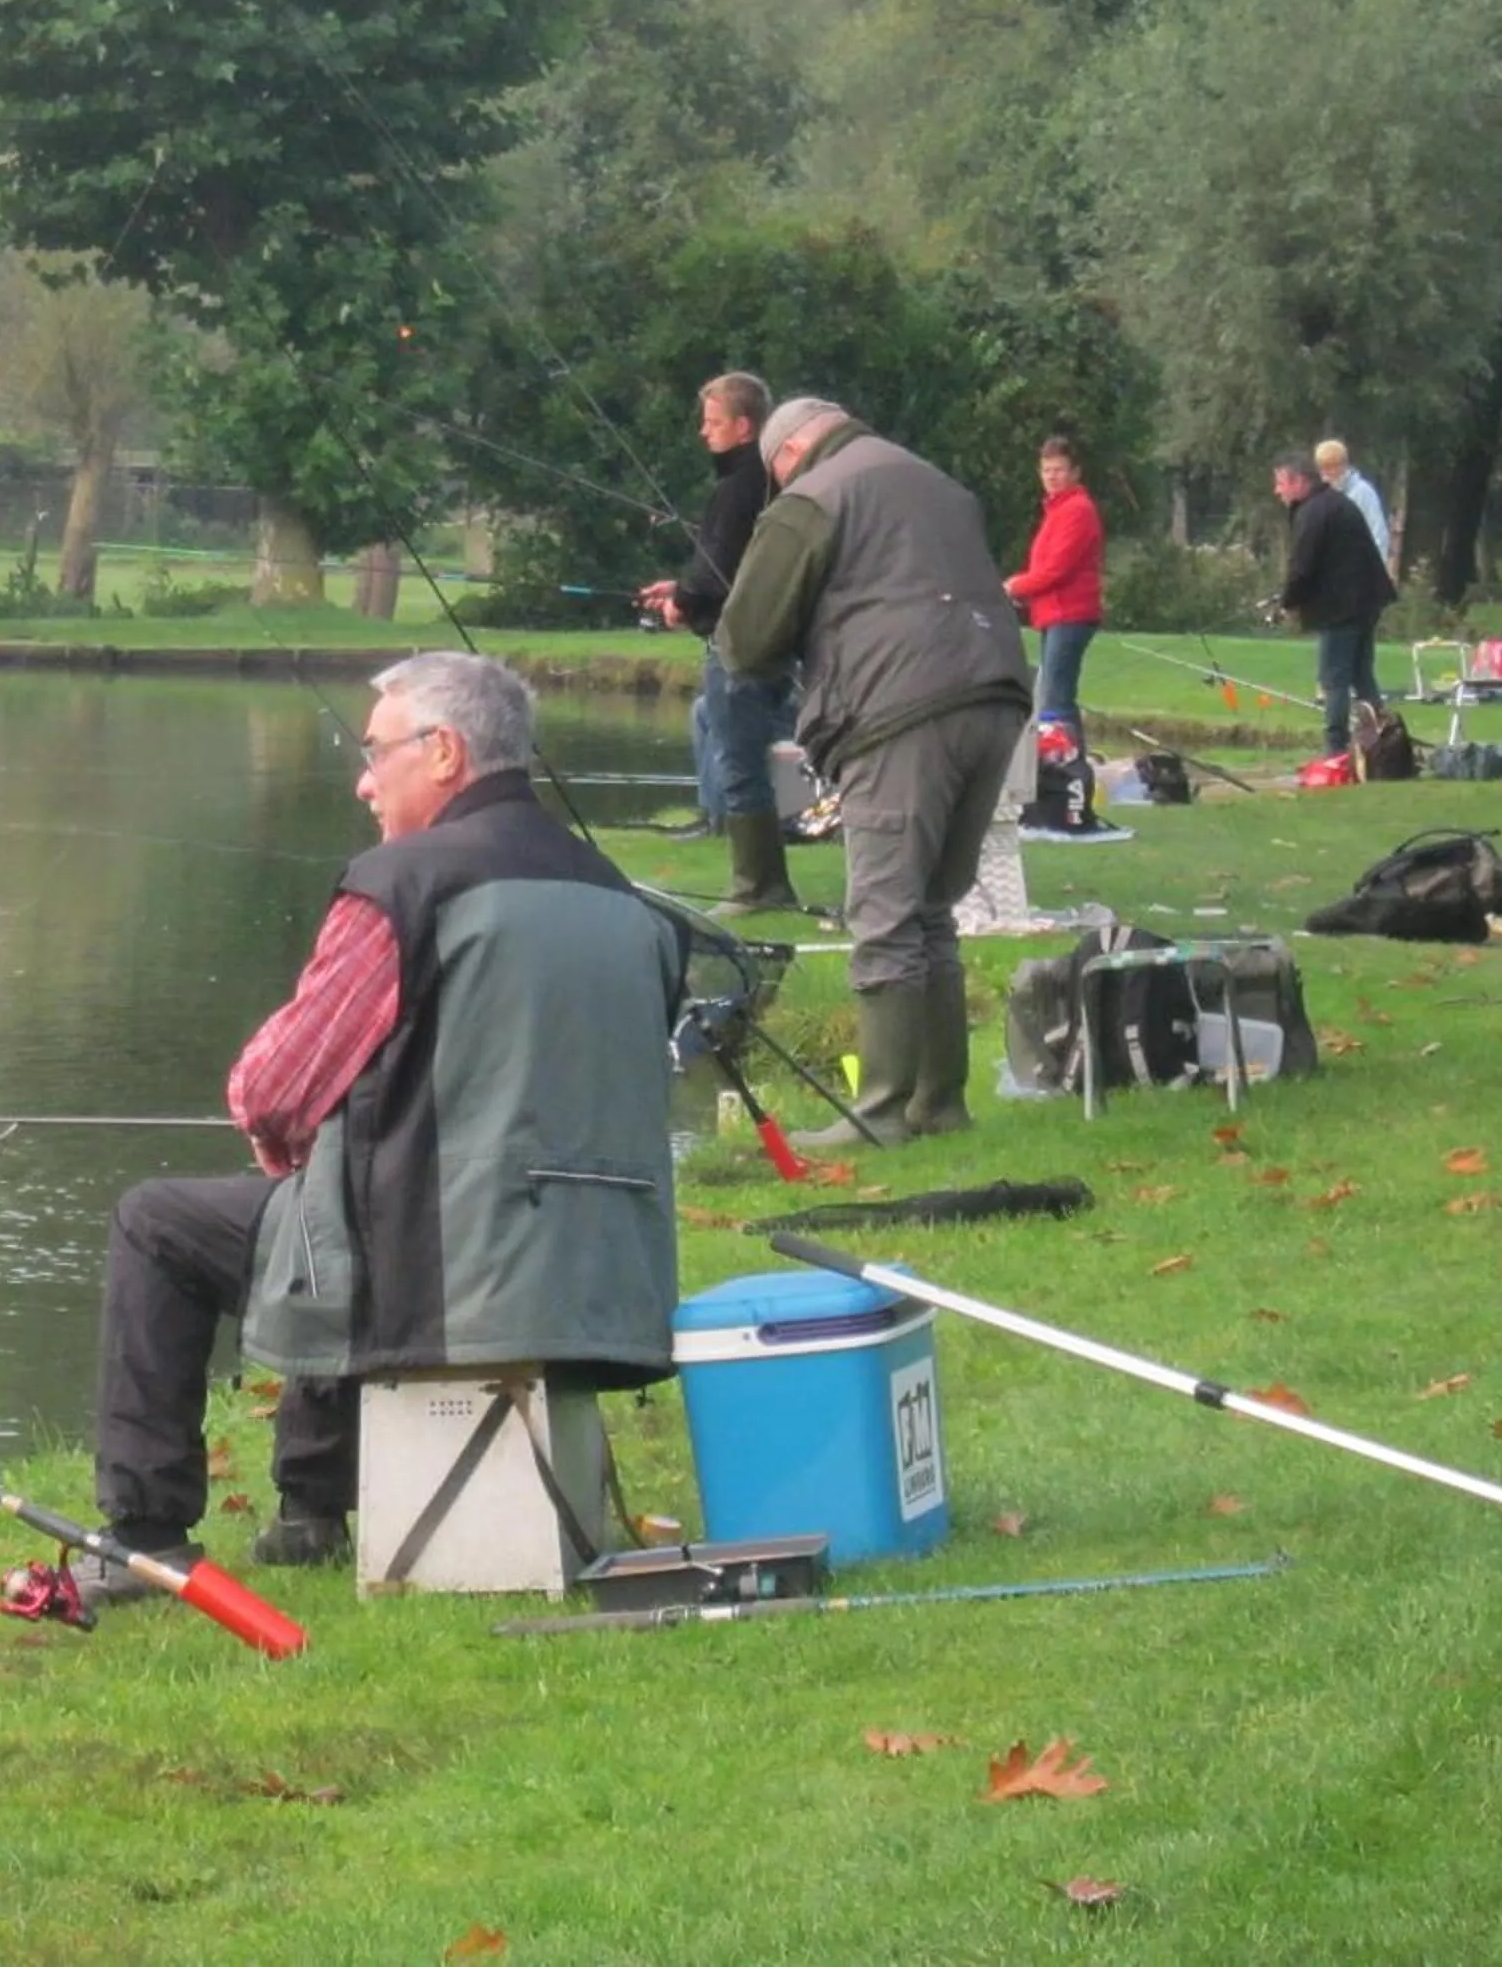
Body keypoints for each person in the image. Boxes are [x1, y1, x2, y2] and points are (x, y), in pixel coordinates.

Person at [78, 652, 688, 1599]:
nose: (364, 781)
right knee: (352, 1174)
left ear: (443, 752)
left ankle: (146, 1535)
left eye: (375, 753)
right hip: (609, 1283)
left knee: (161, 1220)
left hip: (452, 1279)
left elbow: (273, 1091)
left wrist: (285, 1126)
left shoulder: (402, 884)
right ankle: (310, 1510)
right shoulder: (626, 900)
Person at [722, 398, 1034, 1149]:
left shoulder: (812, 497)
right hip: (995, 695)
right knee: (932, 909)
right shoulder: (933, 481)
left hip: (902, 708)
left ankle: (883, 1109)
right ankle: (940, 1102)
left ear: (790, 450)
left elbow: (746, 641)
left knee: (886, 910)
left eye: (773, 470)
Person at [640, 371, 800, 912]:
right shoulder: (768, 480)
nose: (704, 433)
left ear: (744, 426)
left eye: (713, 423)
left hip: (741, 648)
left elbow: (717, 570)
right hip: (772, 641)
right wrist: (681, 589)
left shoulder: (738, 487)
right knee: (745, 748)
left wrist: (681, 603)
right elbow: (726, 567)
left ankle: (757, 886)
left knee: (740, 760)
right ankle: (755, 869)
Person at [1276, 450, 1396, 757]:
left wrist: (1286, 602)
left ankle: (1335, 748)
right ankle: (1381, 740)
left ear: (1299, 482)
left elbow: (1303, 567)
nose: (1277, 491)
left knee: (1334, 678)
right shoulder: (1333, 503)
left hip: (1342, 607)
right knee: (1360, 673)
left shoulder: (1314, 512)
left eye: (1281, 483)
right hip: (1365, 601)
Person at [1003, 434, 1106, 750]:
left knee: (1055, 699)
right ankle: (1073, 768)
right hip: (1055, 614)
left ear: (1075, 472)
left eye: (1059, 470)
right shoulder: (1057, 510)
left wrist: (1014, 586)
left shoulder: (1077, 509)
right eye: (1046, 470)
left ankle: (1066, 773)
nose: (1051, 477)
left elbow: (1055, 570)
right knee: (1057, 696)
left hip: (1070, 615)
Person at [1315, 438, 1392, 712]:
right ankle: (1375, 722)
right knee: (1359, 670)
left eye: (1328, 469)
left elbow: (1379, 539)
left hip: (1360, 594)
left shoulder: (1362, 494)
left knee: (1356, 664)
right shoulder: (1327, 497)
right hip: (1336, 594)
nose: (1324, 475)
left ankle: (1343, 724)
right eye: (1321, 469)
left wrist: (1368, 584)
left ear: (1340, 466)